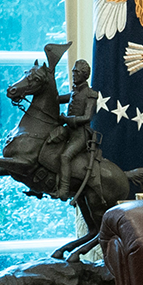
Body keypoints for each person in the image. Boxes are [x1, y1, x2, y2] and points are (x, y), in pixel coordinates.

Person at [50, 58, 100, 199]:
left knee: (65, 156)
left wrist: (68, 119)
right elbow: (57, 98)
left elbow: (87, 117)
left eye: (76, 72)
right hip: (69, 130)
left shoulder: (91, 94)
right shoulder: (73, 92)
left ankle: (64, 190)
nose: (73, 74)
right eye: (73, 71)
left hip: (81, 134)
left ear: (84, 74)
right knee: (47, 141)